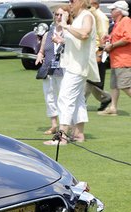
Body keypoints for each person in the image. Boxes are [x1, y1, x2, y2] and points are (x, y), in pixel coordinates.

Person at [44, 0, 99, 145]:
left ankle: (61, 137)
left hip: (78, 66)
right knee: (78, 100)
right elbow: (77, 42)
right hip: (73, 65)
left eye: (72, 1)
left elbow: (85, 34)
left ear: (81, 2)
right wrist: (62, 40)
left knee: (65, 98)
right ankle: (79, 134)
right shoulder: (78, 18)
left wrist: (66, 27)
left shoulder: (86, 16)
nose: (70, 3)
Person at [35, 6, 69, 136]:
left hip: (63, 69)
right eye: (56, 15)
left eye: (61, 15)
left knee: (63, 98)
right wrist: (39, 55)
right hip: (49, 69)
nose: (58, 18)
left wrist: (62, 40)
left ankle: (65, 126)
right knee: (49, 97)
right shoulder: (48, 33)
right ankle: (54, 124)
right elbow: (42, 50)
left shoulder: (68, 32)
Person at [98, 1, 131, 116]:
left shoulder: (126, 21)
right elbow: (119, 37)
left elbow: (128, 38)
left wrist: (112, 45)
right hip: (116, 60)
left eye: (113, 10)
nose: (111, 12)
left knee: (125, 86)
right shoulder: (117, 23)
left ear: (119, 11)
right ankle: (113, 107)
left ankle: (113, 107)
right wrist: (109, 37)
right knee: (114, 85)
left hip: (123, 59)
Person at [85, 0, 112, 111]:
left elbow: (104, 36)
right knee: (90, 80)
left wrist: (100, 53)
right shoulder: (91, 15)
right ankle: (105, 98)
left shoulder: (100, 17)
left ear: (95, 5)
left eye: (89, 5)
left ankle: (81, 100)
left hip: (96, 52)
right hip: (89, 51)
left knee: (89, 80)